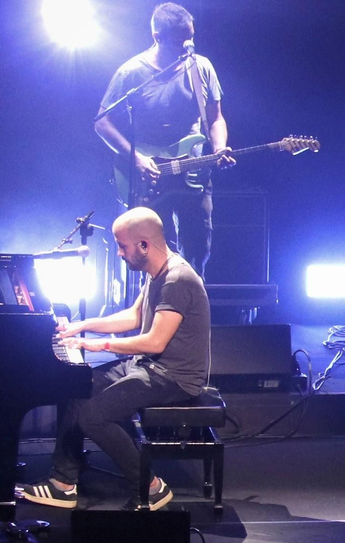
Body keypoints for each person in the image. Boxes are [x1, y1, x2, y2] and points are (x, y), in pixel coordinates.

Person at [19, 207, 212, 510]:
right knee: (79, 385)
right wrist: (83, 325)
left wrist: (100, 345)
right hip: (149, 365)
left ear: (144, 245)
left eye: (123, 246)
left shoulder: (178, 279)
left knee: (94, 417)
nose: (120, 253)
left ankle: (149, 486)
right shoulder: (158, 272)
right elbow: (134, 316)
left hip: (174, 377)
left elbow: (155, 340)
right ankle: (62, 483)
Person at [94, 2, 234, 300]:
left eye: (191, 37)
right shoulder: (132, 72)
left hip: (193, 172)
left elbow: (216, 118)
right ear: (157, 36)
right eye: (180, 39)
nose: (188, 45)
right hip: (151, 176)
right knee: (155, 253)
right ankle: (154, 317)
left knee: (197, 245)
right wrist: (135, 158)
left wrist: (219, 147)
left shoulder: (201, 68)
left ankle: (190, 312)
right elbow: (102, 122)